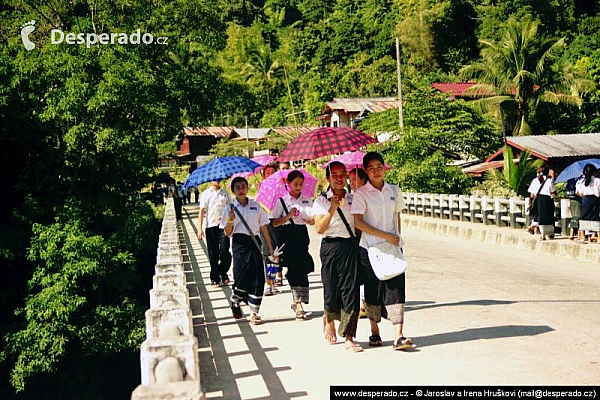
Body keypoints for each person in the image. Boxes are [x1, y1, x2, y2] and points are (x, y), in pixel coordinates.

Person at [351, 151, 414, 351]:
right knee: (373, 291)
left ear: (384, 167)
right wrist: (384, 236)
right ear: (365, 171)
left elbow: (397, 217)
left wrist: (397, 240)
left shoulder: (394, 191)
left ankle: (399, 336)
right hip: (369, 250)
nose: (376, 171)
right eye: (371, 168)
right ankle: (374, 331)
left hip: (392, 248)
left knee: (396, 289)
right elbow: (358, 222)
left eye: (379, 167)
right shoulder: (361, 193)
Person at [312, 162, 363, 352]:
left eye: (343, 174)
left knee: (351, 291)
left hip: (350, 246)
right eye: (335, 175)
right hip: (330, 247)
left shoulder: (353, 198)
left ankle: (349, 336)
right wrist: (332, 207)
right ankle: (330, 320)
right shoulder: (321, 201)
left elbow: (359, 225)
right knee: (331, 289)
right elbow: (319, 228)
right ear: (328, 179)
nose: (340, 178)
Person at [220, 177, 277, 325]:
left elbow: (264, 227)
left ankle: (254, 313)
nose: (241, 189)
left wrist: (270, 249)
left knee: (258, 277)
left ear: (247, 188)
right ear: (233, 190)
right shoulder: (229, 208)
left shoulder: (256, 206)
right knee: (241, 274)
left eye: (243, 186)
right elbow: (227, 233)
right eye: (237, 187)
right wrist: (231, 220)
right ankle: (236, 299)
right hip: (239, 244)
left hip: (255, 243)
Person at [271, 170, 315, 321]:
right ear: (288, 184)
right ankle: (298, 304)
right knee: (294, 269)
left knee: (303, 268)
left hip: (302, 235)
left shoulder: (307, 200)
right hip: (287, 236)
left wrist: (310, 221)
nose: (298, 186)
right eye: (295, 184)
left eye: (301, 184)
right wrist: (288, 216)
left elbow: (313, 219)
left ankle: (299, 302)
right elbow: (274, 223)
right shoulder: (281, 201)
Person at [198, 181, 232, 287]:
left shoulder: (225, 193)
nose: (217, 181)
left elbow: (230, 207)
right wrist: (199, 228)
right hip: (210, 226)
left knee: (225, 251)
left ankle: (222, 271)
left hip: (223, 225)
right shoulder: (205, 194)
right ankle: (215, 277)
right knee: (213, 254)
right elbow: (201, 211)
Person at [348, 167, 369, 318]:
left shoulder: (369, 196)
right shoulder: (350, 197)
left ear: (363, 179)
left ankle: (367, 302)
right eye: (350, 180)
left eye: (355, 179)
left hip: (368, 238)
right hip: (354, 240)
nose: (352, 182)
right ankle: (362, 303)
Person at [527, 166, 556, 241]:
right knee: (548, 217)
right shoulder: (549, 181)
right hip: (547, 200)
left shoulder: (535, 180)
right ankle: (549, 233)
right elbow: (552, 192)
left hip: (537, 200)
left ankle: (542, 234)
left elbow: (532, 194)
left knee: (540, 217)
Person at [576, 164, 600, 244]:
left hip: (586, 199)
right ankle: (599, 237)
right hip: (595, 199)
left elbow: (580, 192)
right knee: (595, 217)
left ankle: (582, 236)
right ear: (594, 172)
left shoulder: (582, 181)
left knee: (583, 217)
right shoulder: (597, 180)